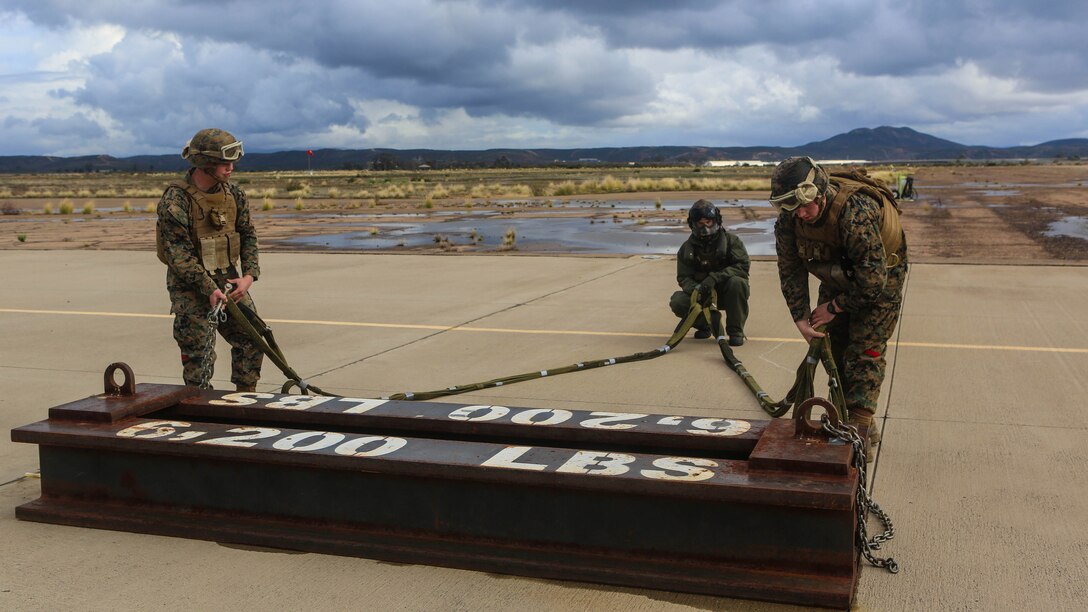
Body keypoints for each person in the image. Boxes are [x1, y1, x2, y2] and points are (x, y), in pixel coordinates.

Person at [770, 157, 908, 451]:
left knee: (864, 352)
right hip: (839, 277)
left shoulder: (854, 212)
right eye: (792, 208)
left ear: (820, 194)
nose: (802, 214)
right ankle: (853, 419)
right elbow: (790, 269)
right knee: (834, 347)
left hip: (881, 278)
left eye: (806, 206)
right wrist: (801, 318)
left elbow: (872, 282)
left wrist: (832, 308)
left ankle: (855, 436)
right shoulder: (789, 220)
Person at [156, 128, 263, 391]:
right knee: (199, 357)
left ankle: (245, 403)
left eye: (233, 162)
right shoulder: (175, 201)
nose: (231, 168)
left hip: (228, 281)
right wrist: (209, 289)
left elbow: (248, 234)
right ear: (205, 163)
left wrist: (248, 276)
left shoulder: (234, 194)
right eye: (224, 162)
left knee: (252, 340)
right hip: (191, 289)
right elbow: (178, 256)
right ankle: (201, 412)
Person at [669, 199, 750, 346]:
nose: (704, 227)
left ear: (716, 221)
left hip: (726, 293)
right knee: (677, 301)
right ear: (692, 224)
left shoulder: (732, 242)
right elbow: (683, 277)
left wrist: (715, 278)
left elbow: (742, 266)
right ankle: (704, 325)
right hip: (701, 295)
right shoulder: (686, 249)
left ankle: (735, 331)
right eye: (700, 223)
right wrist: (698, 290)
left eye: (708, 222)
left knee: (738, 283)